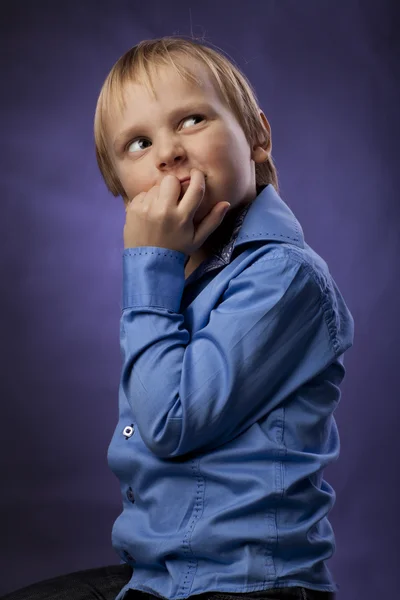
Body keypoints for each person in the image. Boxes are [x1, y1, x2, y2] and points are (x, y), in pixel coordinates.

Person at [2, 36, 354, 600]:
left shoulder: (283, 277)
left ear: (257, 137)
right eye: (138, 143)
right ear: (122, 189)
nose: (167, 152)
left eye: (191, 120)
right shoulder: (181, 282)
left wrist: (150, 266)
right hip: (165, 574)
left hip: (248, 584)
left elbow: (169, 422)